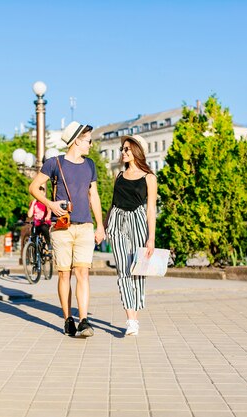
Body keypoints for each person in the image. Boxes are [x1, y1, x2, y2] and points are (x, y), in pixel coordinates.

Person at [29, 121, 105, 338]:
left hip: (85, 226)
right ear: (77, 140)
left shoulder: (90, 165)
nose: (91, 145)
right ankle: (67, 319)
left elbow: (94, 196)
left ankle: (84, 321)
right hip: (61, 228)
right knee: (64, 275)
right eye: (88, 140)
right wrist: (50, 204)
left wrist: (100, 225)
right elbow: (33, 187)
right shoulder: (54, 163)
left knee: (83, 273)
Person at [106, 135, 157, 336]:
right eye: (122, 149)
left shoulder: (149, 177)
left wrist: (151, 237)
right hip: (117, 222)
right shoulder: (119, 176)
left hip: (137, 221)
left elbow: (151, 209)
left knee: (137, 270)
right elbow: (112, 204)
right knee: (123, 271)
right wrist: (103, 226)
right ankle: (131, 320)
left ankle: (135, 313)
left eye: (127, 149)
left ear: (137, 151)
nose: (123, 152)